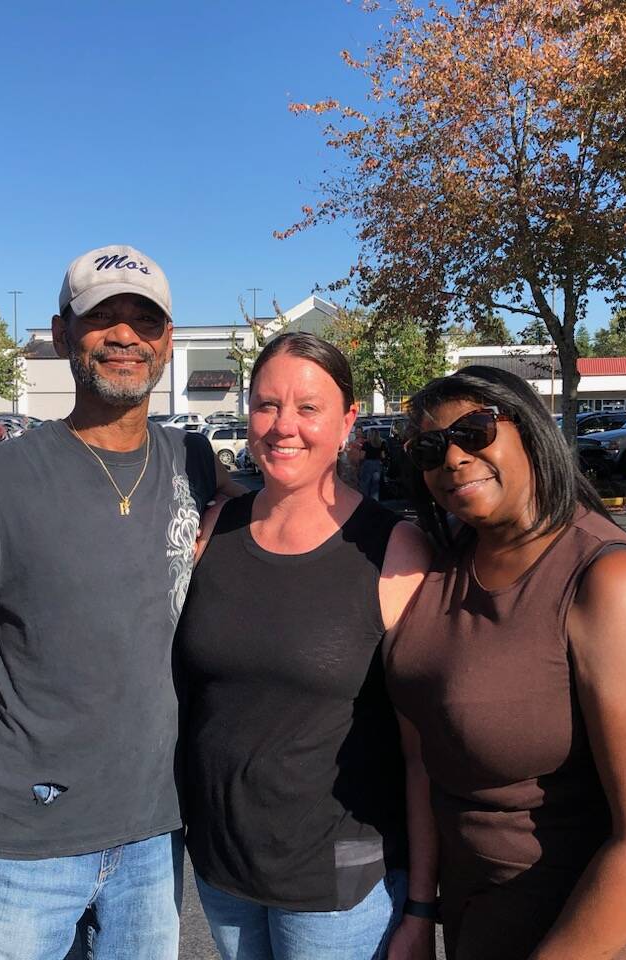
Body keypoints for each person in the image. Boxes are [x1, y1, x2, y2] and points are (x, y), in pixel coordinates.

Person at [0, 244, 239, 960]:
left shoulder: (196, 462)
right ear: (61, 335)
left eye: (144, 321)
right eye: (102, 317)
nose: (125, 335)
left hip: (155, 837)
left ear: (168, 341)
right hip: (22, 846)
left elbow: (296, 526)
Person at [385, 366, 626, 960]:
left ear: (529, 431)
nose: (452, 458)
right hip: (465, 910)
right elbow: (422, 749)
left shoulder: (608, 579)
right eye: (429, 448)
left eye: (474, 431)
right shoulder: (449, 561)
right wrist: (423, 907)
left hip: (565, 925)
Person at [177, 332, 435, 960]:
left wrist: (423, 905)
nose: (282, 426)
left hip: (339, 881)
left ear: (348, 420)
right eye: (266, 405)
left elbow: (421, 751)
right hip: (223, 864)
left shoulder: (392, 551)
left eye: (308, 408)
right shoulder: (215, 528)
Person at [360, 426, 386, 500]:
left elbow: (362, 456)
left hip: (367, 464)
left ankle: (365, 503)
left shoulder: (366, 444)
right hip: (377, 464)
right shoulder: (381, 443)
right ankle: (375, 503)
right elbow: (383, 456)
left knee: (365, 485)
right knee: (375, 487)